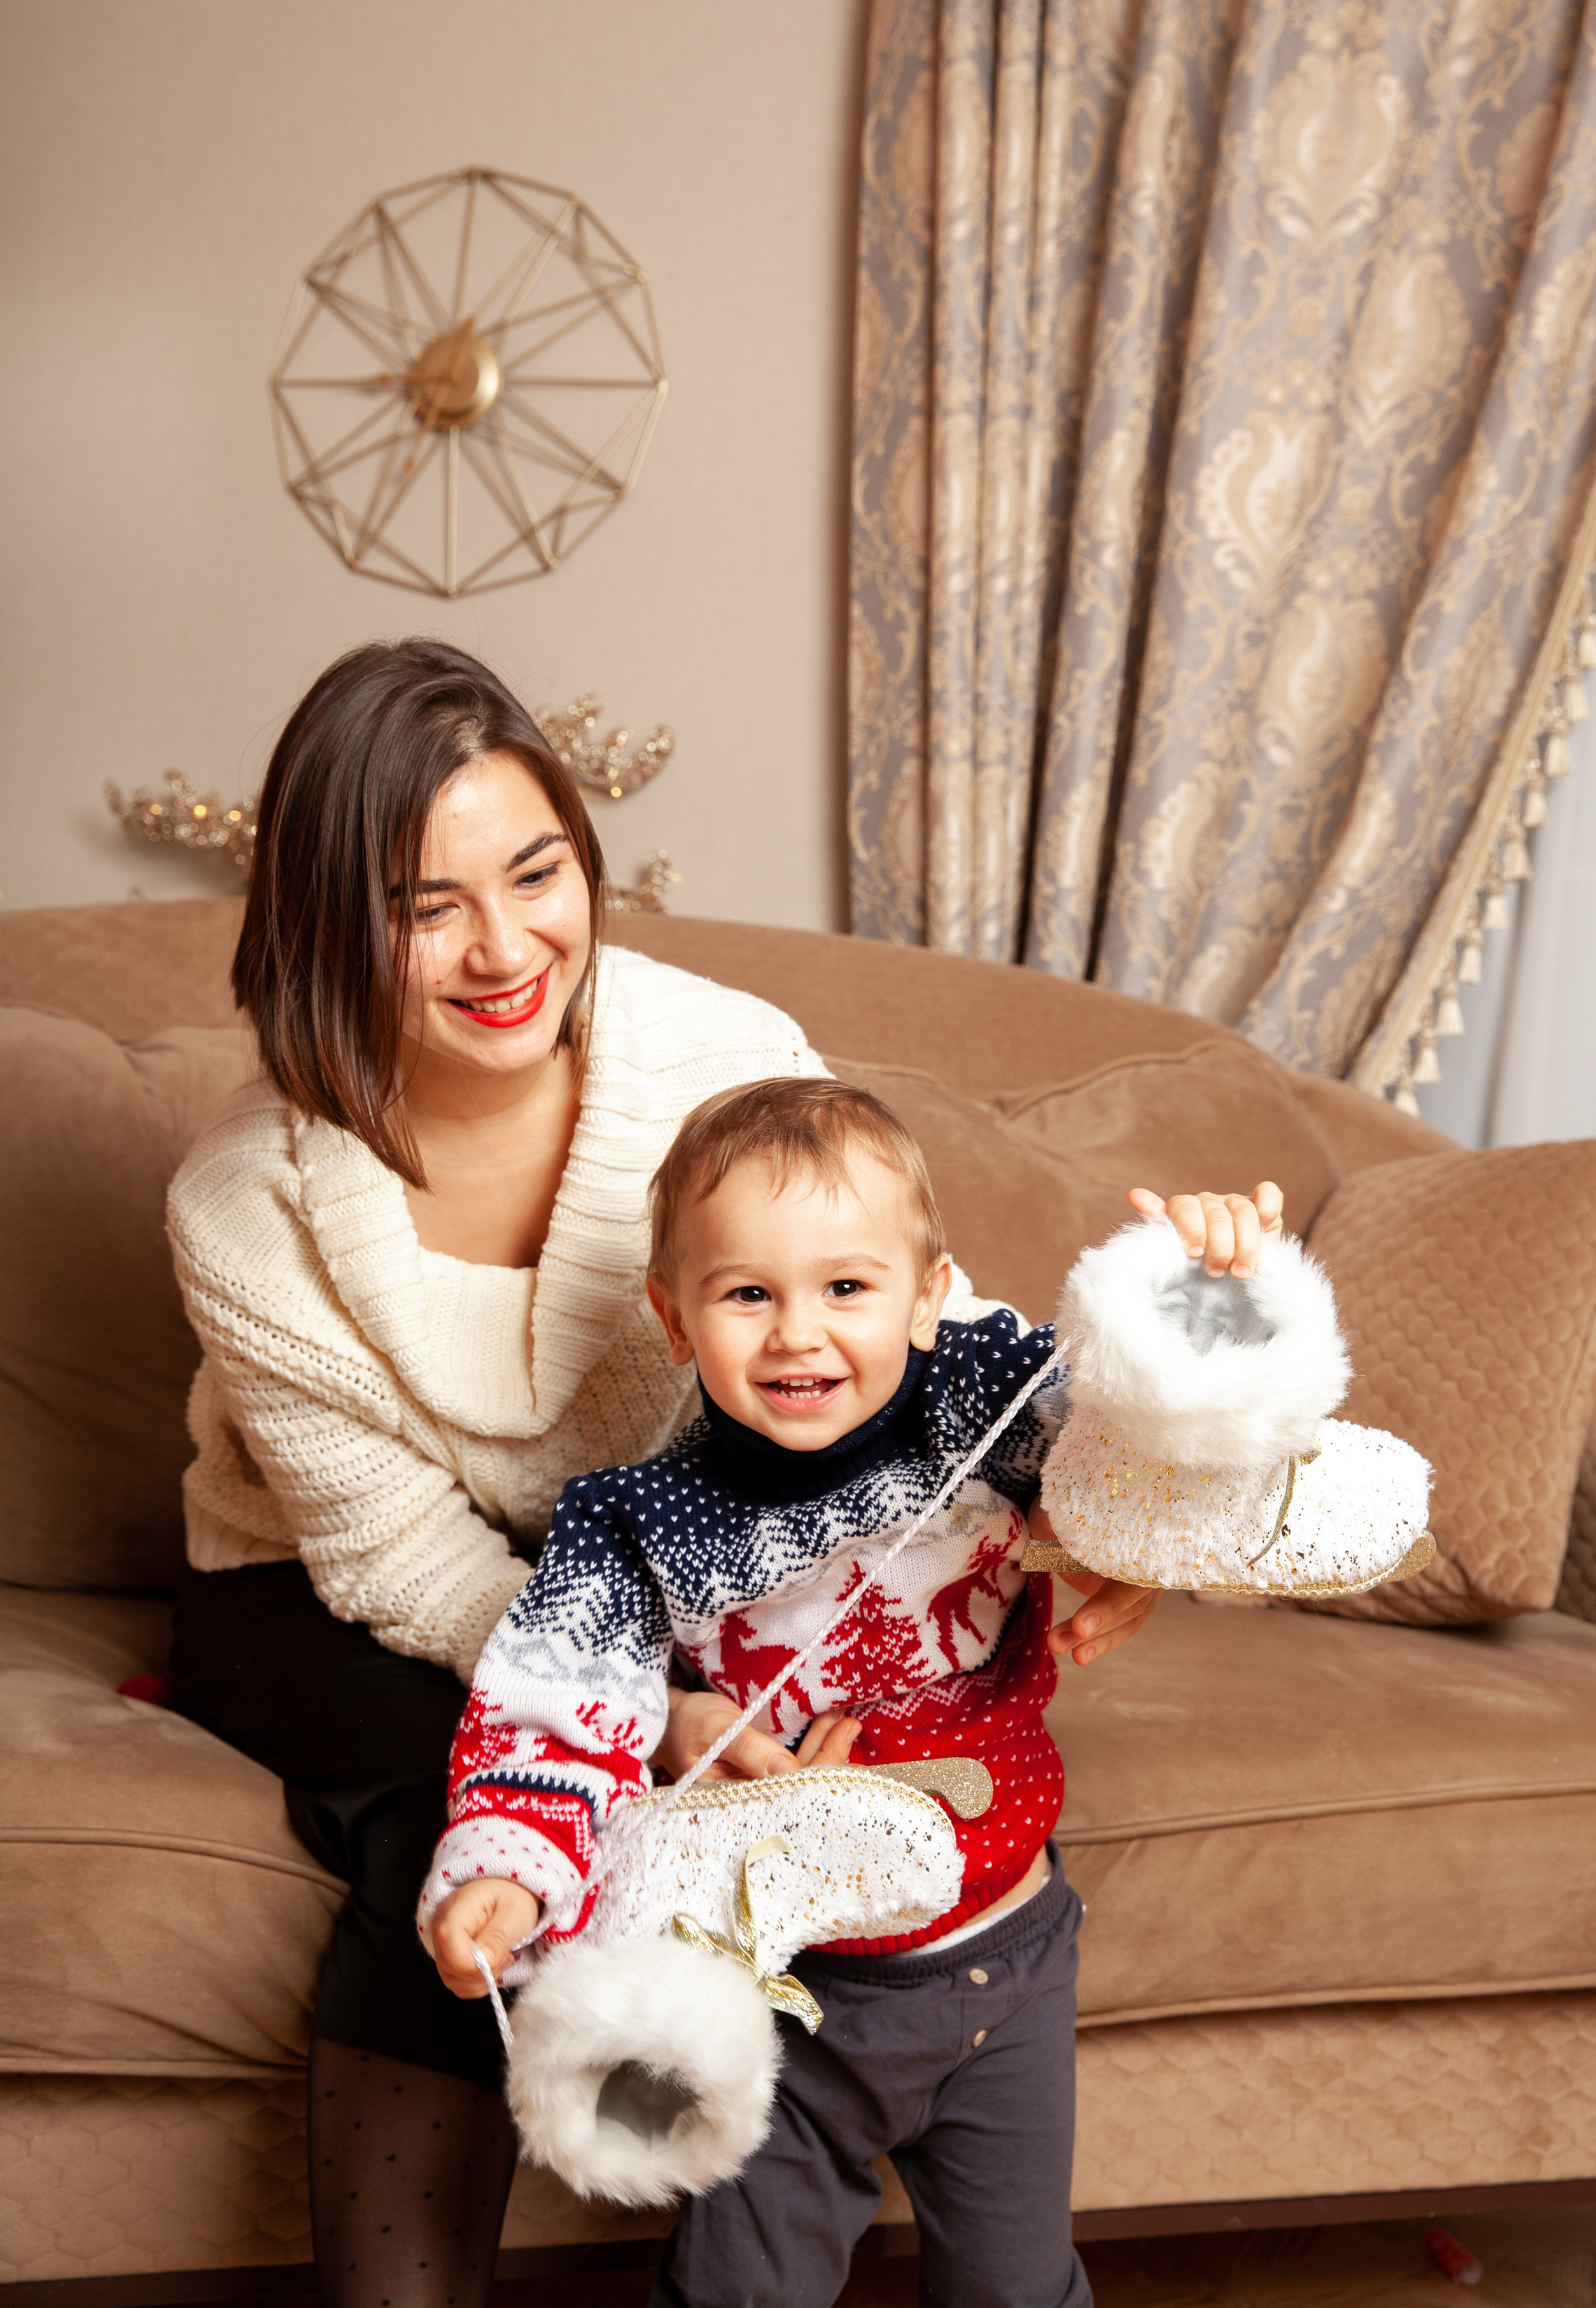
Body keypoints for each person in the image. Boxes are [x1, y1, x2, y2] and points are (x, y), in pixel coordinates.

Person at [164, 636, 1184, 2308]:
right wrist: (659, 1710)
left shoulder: (715, 1049)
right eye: (427, 907)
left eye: (538, 872)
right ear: (329, 924)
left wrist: (1104, 1507)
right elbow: (408, 1564)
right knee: (487, 1817)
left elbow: (924, 1315)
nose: (506, 949)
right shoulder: (245, 1199)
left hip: (655, 1551)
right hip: (340, 1590)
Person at [425, 1078, 1286, 2308]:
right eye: (746, 1294)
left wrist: (1204, 1296)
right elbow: (553, 1713)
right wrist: (509, 1871)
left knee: (1018, 2291)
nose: (796, 1333)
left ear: (930, 1296)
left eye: (846, 1287)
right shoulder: (633, 1526)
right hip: (787, 1991)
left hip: (1007, 1962)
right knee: (740, 2296)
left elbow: (1140, 1429)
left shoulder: (981, 1402)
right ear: (674, 1317)